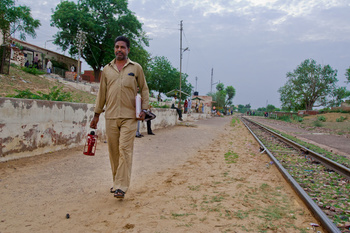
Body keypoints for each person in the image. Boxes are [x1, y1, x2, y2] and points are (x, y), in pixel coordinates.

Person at [90, 36, 149, 199]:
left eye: (122, 47)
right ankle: (117, 182)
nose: (119, 50)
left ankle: (122, 187)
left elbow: (144, 89)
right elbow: (101, 93)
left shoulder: (136, 68)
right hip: (111, 116)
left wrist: (144, 108)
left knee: (124, 149)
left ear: (128, 50)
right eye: (117, 47)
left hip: (130, 117)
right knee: (114, 151)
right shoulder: (107, 69)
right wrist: (96, 115)